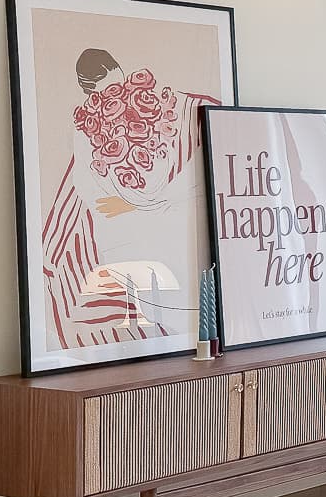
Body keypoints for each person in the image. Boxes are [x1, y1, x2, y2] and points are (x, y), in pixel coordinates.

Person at [38, 47, 220, 357]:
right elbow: (89, 189)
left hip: (170, 214)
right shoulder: (87, 132)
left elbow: (194, 175)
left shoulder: (168, 106)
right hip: (127, 224)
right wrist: (134, 201)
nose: (118, 97)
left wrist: (149, 201)